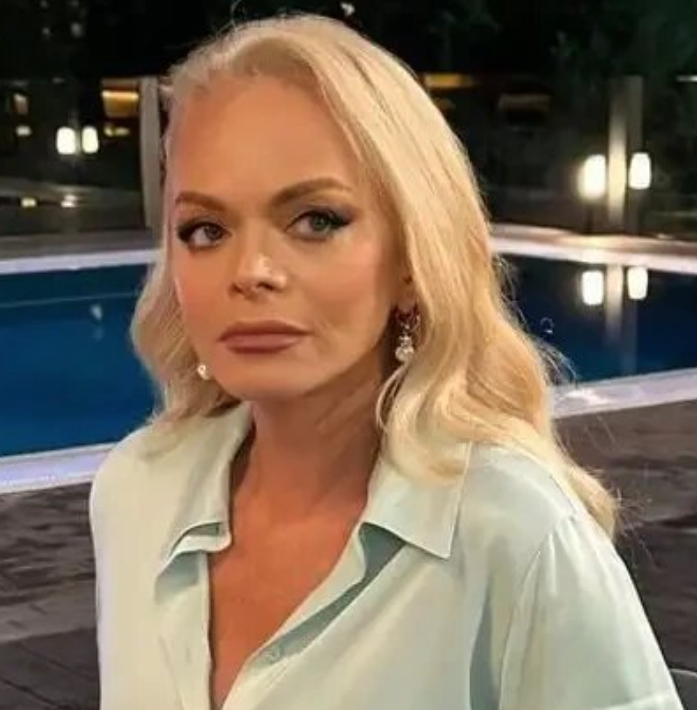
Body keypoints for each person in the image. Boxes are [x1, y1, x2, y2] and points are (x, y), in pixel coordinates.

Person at [89, 13, 684, 710]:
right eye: (206, 229)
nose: (249, 271)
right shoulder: (136, 491)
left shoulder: (518, 538)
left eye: (316, 220)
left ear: (409, 259)